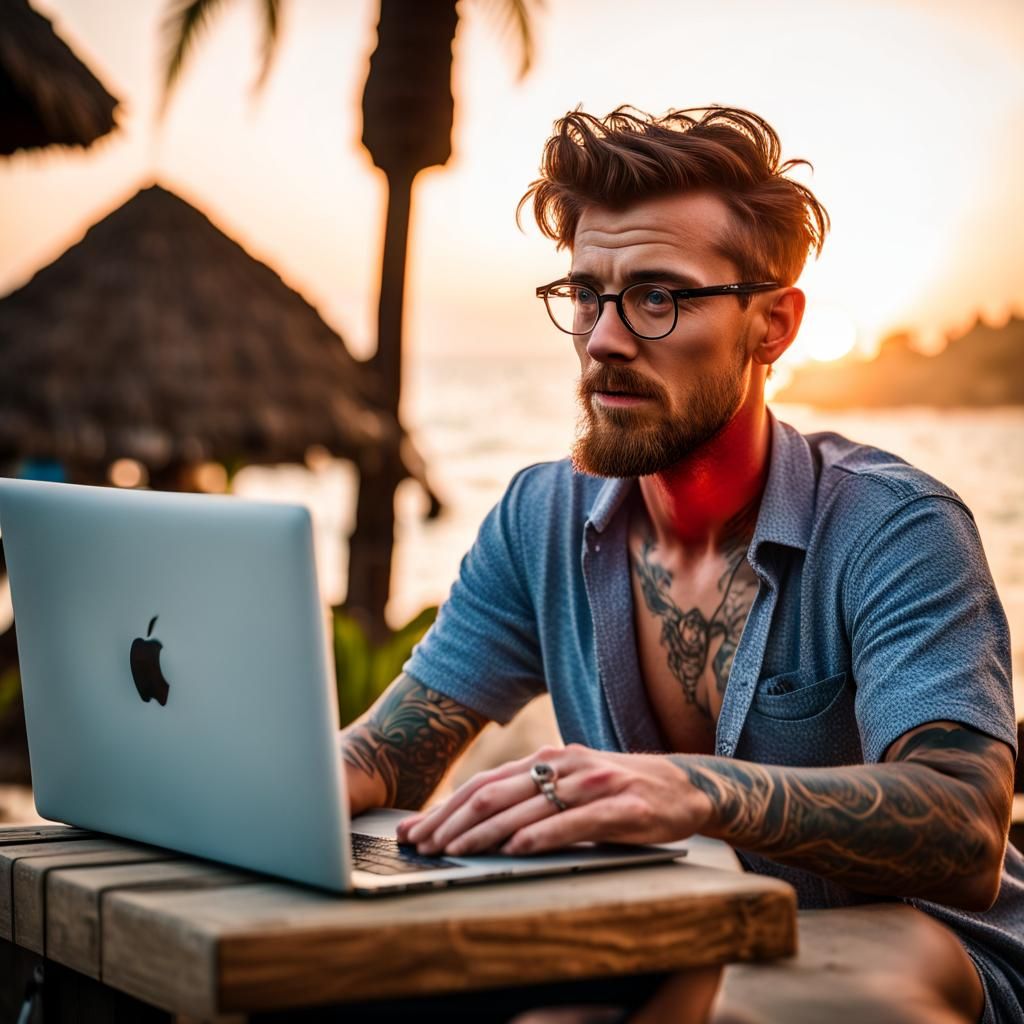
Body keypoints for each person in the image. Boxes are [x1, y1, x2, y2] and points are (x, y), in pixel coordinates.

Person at [341, 107, 1023, 1023]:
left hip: (912, 942)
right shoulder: (539, 519)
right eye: (587, 295)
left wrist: (690, 788)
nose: (604, 339)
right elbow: (384, 756)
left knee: (758, 1005)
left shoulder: (894, 527)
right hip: (651, 941)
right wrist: (249, 791)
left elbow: (964, 828)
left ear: (772, 325)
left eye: (657, 296)